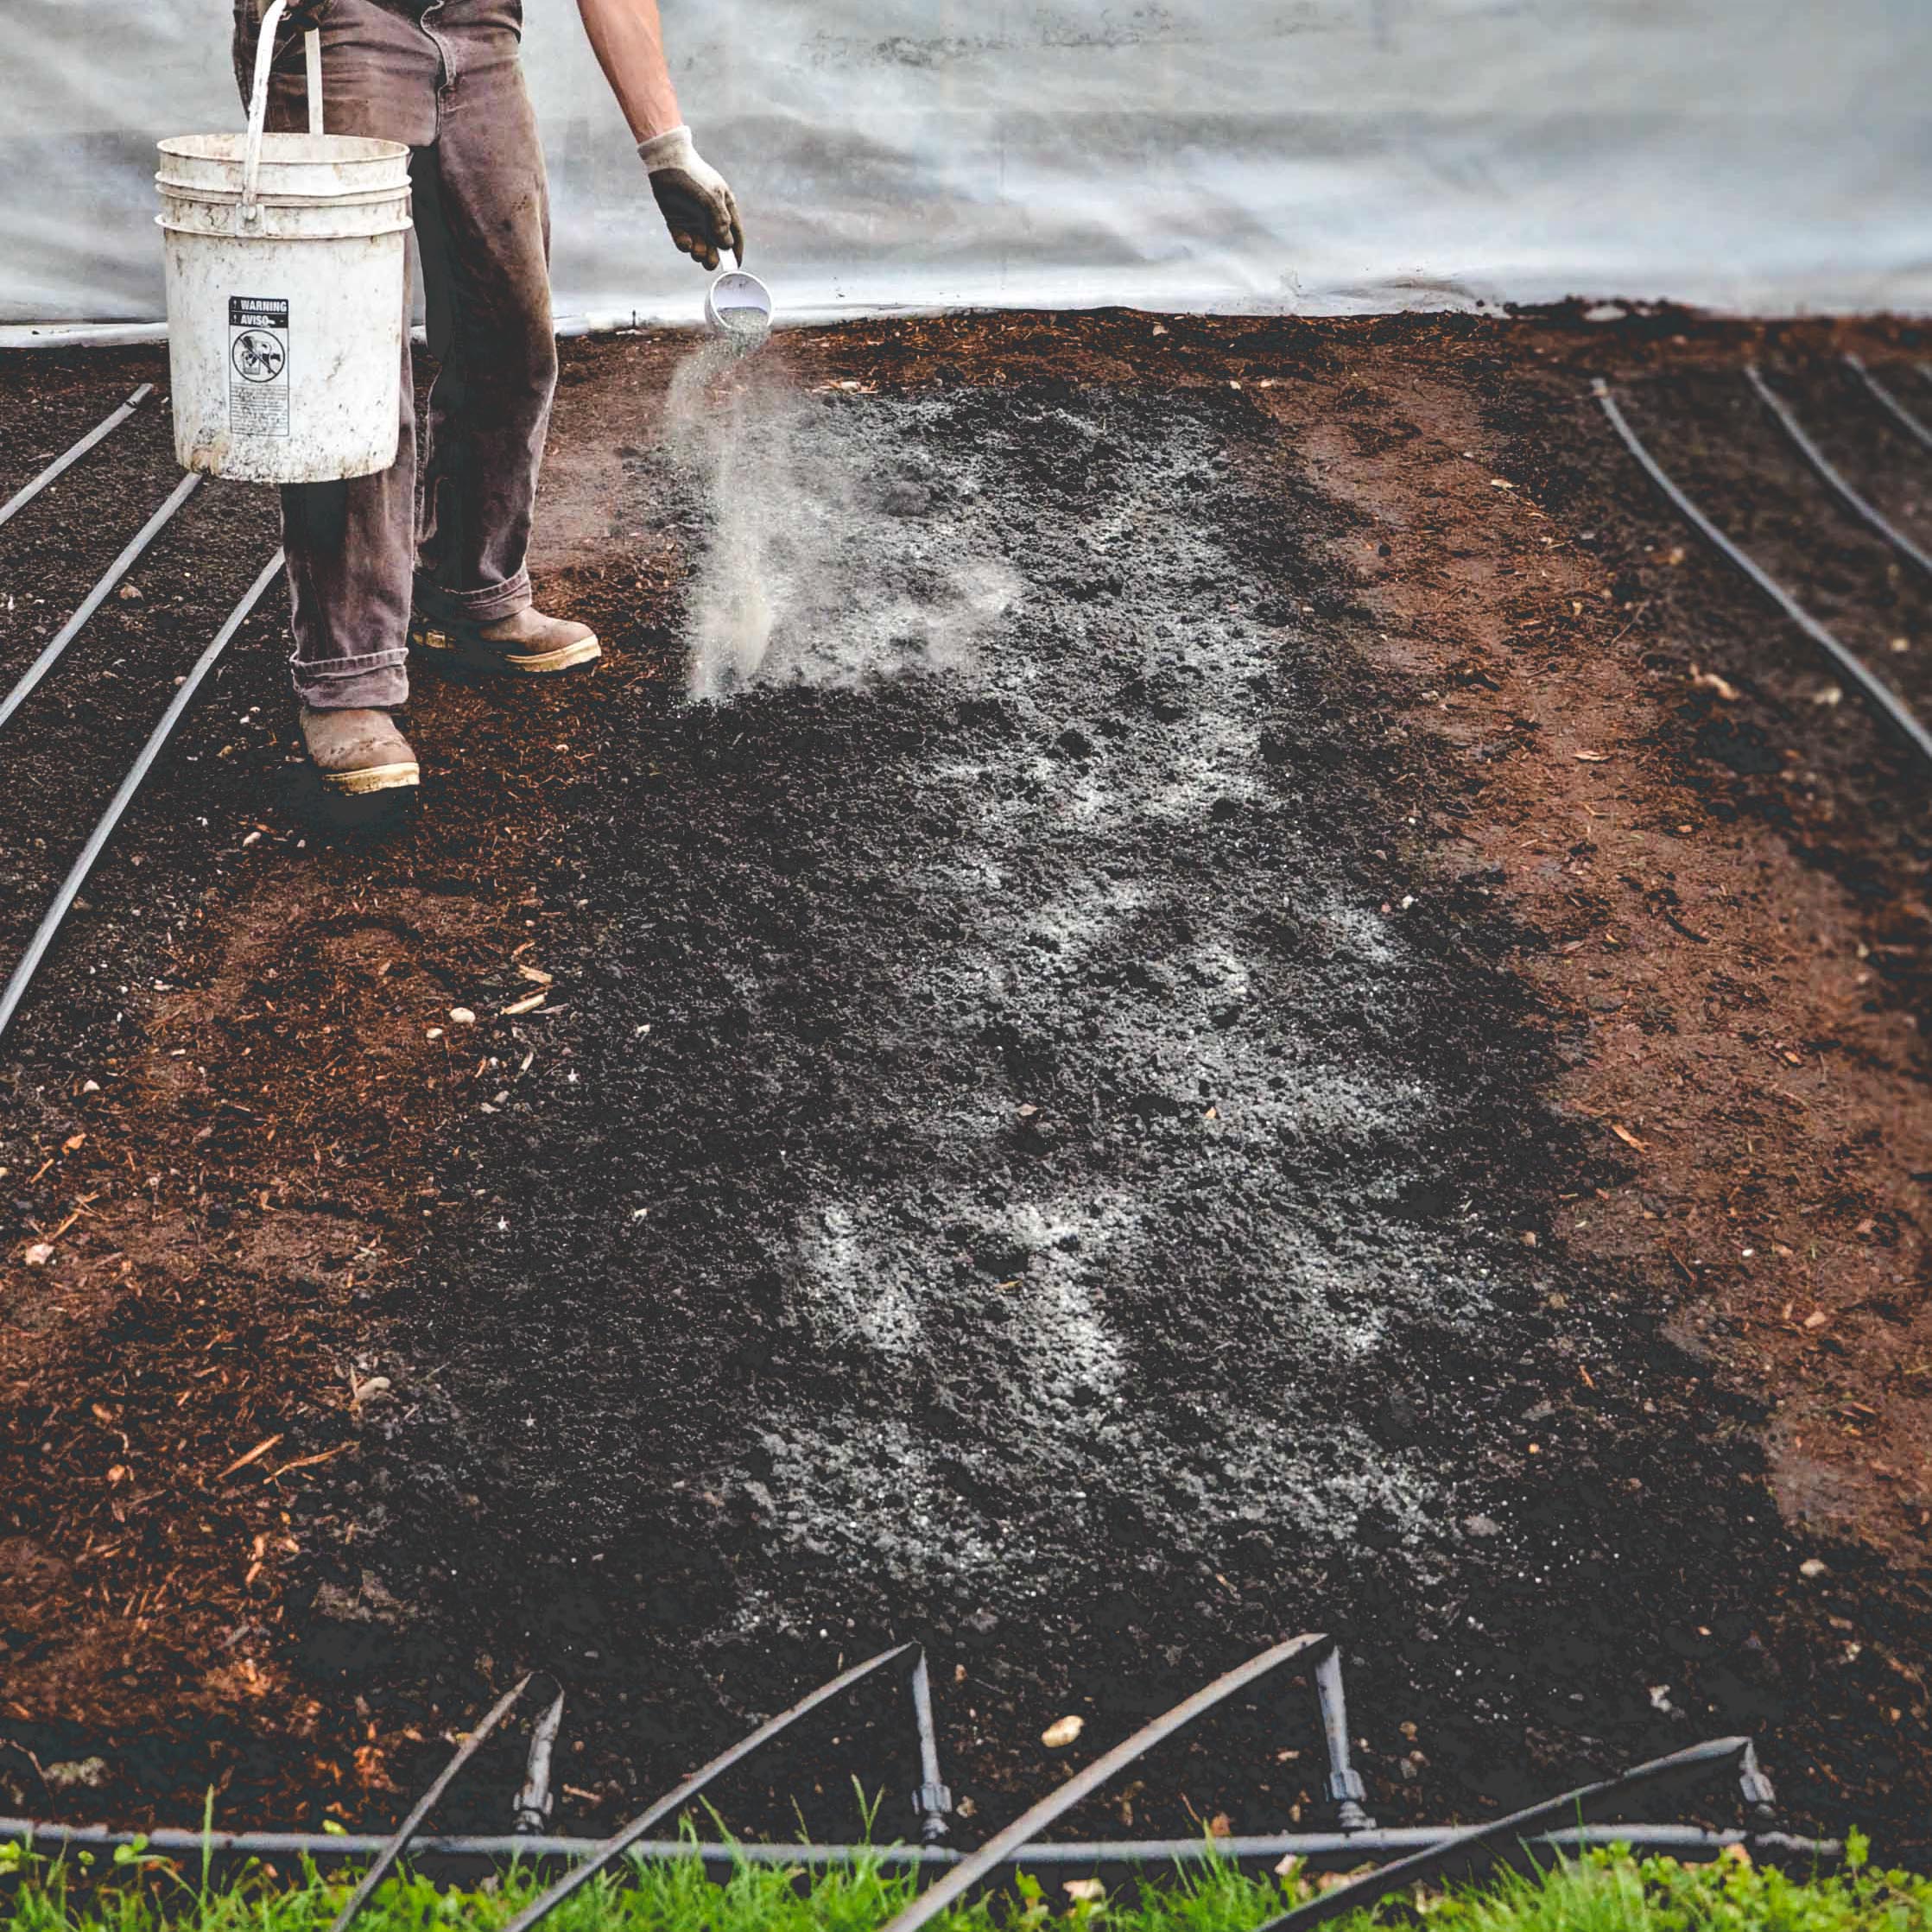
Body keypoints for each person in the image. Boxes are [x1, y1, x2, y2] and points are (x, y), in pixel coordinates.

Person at [232, 0, 742, 796]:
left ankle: (470, 588)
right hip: (344, 21)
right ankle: (349, 672)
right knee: (350, 358)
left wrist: (666, 146)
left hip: (480, 26)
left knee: (509, 328)